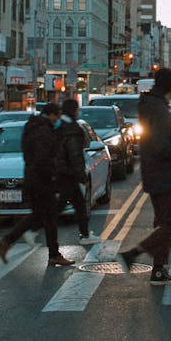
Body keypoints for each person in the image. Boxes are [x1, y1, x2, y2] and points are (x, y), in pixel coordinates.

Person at [118, 68, 171, 285]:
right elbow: (161, 145)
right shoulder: (159, 110)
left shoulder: (150, 105)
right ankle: (133, 254)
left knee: (163, 224)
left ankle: (158, 271)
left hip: (153, 171)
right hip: (163, 173)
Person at [0, 103, 75, 267]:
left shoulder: (32, 126)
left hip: (32, 178)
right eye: (57, 116)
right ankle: (51, 253)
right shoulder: (43, 130)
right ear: (51, 115)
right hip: (42, 180)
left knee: (42, 215)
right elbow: (43, 157)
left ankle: (8, 241)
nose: (58, 120)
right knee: (48, 216)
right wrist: (52, 176)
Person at [56, 99, 101, 246]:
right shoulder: (71, 129)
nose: (78, 112)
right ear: (73, 110)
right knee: (64, 205)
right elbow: (75, 154)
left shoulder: (60, 126)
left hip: (62, 172)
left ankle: (85, 234)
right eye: (77, 109)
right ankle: (33, 228)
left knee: (77, 204)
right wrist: (81, 175)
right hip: (69, 173)